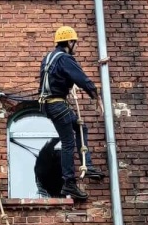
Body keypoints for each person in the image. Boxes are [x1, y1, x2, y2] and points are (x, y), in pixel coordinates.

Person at [38, 26, 105, 200]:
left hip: (51, 105)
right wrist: (95, 96)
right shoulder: (65, 58)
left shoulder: (48, 58)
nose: (76, 47)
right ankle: (69, 183)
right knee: (68, 142)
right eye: (75, 43)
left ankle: (86, 164)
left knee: (80, 128)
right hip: (58, 105)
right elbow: (82, 78)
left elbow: (57, 79)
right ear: (69, 42)